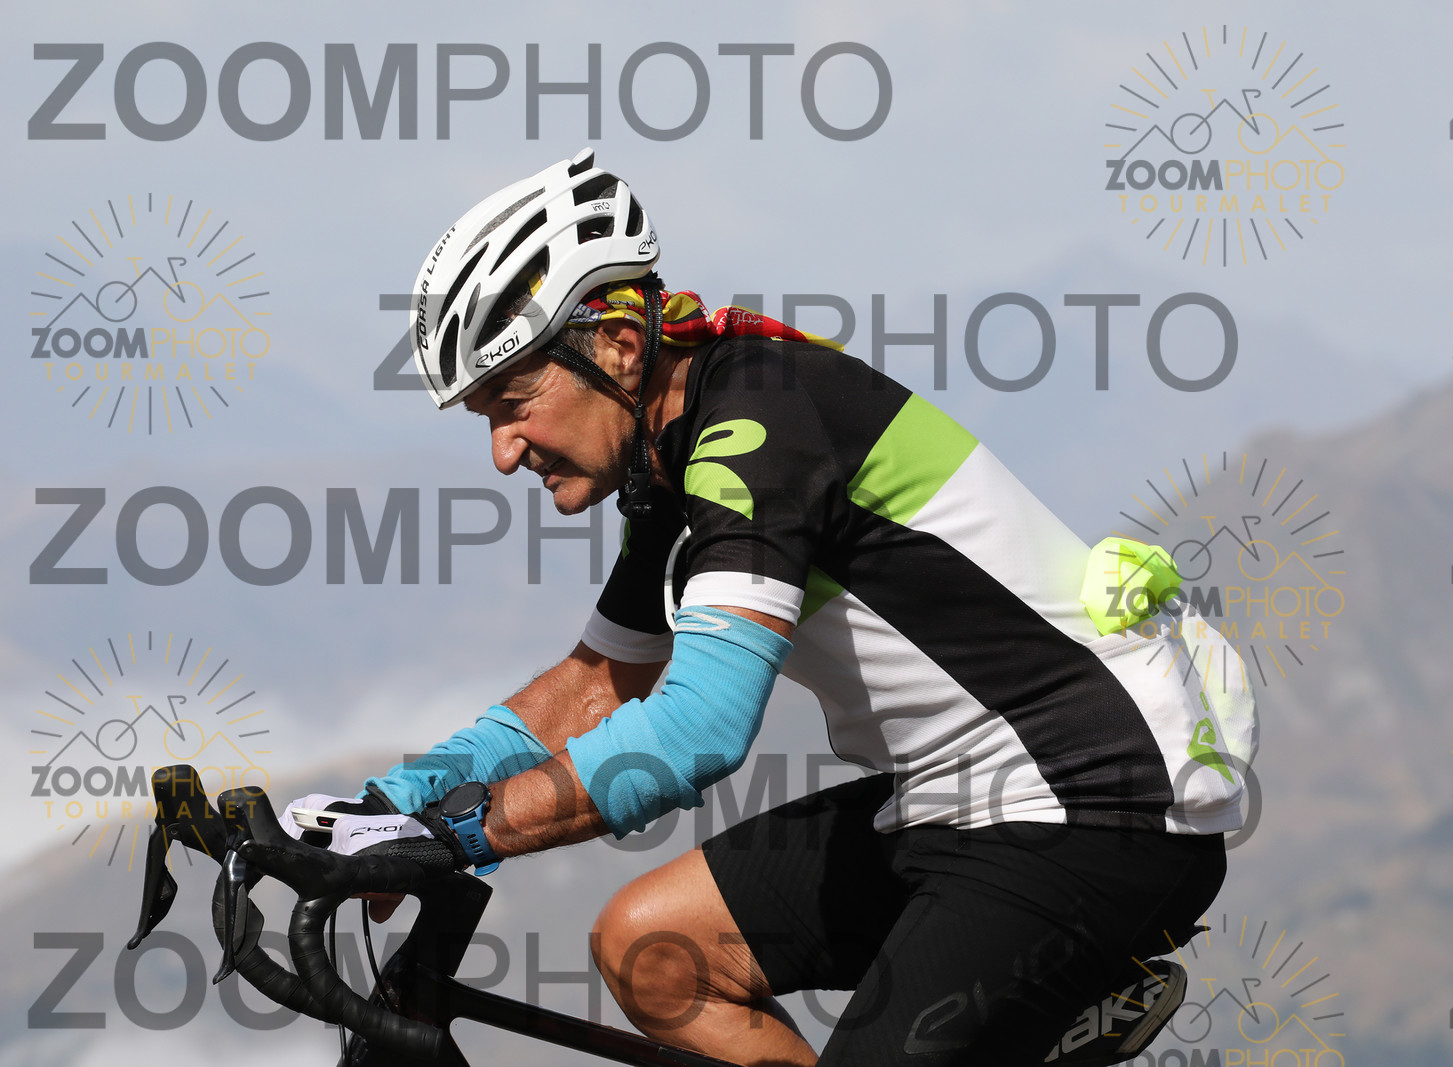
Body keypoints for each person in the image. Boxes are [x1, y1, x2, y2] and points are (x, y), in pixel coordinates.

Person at [285, 148, 1258, 1066]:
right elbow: (595, 687)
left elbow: (699, 728)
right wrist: (390, 804)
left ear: (618, 346)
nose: (503, 450)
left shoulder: (755, 426)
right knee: (653, 949)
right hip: (960, 793)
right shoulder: (672, 452)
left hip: (1096, 805)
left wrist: (460, 832)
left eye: (512, 401)